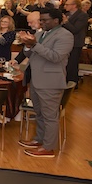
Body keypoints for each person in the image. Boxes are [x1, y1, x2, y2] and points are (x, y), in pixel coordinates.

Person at [17, 8, 73, 158]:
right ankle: (39, 140)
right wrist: (27, 45)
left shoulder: (65, 35)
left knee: (50, 116)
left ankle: (48, 147)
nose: (41, 22)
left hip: (51, 81)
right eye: (40, 20)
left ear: (56, 20)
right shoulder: (40, 34)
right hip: (36, 80)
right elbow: (29, 54)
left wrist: (34, 45)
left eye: (45, 20)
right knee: (39, 113)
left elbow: (55, 57)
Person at [62, 0, 88, 84]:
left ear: (74, 5)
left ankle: (72, 83)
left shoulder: (82, 15)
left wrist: (66, 22)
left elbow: (75, 29)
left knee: (72, 64)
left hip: (76, 43)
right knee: (66, 63)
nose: (65, 6)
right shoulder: (67, 14)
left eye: (67, 4)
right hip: (66, 41)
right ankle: (65, 81)